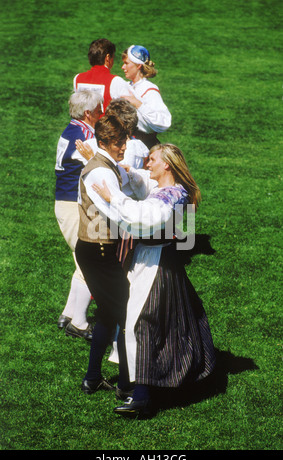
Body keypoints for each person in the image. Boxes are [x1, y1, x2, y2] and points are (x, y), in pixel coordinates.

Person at [91, 143, 216, 418]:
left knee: (141, 323)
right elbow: (144, 182)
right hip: (157, 259)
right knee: (157, 324)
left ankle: (142, 397)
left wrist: (112, 197)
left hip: (156, 263)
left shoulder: (170, 195)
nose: (147, 164)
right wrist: (126, 171)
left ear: (167, 165)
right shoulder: (174, 190)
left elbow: (143, 217)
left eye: (152, 159)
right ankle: (136, 386)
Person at [75, 115, 132, 396]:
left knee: (109, 315)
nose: (124, 146)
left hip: (95, 249)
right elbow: (118, 213)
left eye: (124, 140)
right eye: (118, 142)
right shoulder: (101, 172)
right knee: (126, 314)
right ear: (103, 142)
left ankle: (93, 377)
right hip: (98, 251)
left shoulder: (104, 164)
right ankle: (126, 385)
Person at [55, 90, 103, 341]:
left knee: (81, 259)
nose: (102, 113)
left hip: (65, 203)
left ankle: (69, 313)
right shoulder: (84, 134)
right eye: (98, 109)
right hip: (72, 204)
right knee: (89, 260)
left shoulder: (71, 128)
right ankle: (80, 323)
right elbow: (97, 162)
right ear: (88, 113)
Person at [121, 45, 172, 149]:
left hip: (145, 146)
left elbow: (163, 122)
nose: (123, 67)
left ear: (138, 65)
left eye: (126, 63)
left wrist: (138, 104)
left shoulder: (149, 90)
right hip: (125, 143)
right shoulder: (126, 86)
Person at [73, 38, 129, 114]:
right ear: (108, 58)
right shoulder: (116, 81)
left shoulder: (77, 78)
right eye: (113, 57)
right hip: (104, 125)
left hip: (82, 125)